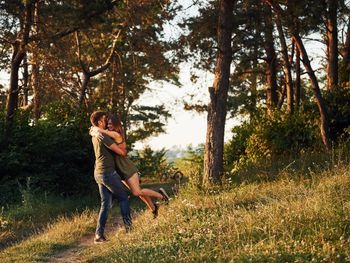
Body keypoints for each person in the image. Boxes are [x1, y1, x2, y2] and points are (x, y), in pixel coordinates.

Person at [90, 113, 170, 219]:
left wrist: (94, 131)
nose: (109, 126)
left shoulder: (116, 135)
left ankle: (162, 196)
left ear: (116, 125)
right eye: (108, 124)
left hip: (127, 168)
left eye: (111, 124)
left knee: (136, 192)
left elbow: (103, 132)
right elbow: (100, 132)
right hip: (120, 170)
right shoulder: (108, 134)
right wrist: (93, 131)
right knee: (138, 191)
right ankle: (154, 209)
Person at [89, 111, 133, 244]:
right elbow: (121, 152)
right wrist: (122, 148)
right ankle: (130, 230)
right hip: (107, 173)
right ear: (99, 122)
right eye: (104, 119)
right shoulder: (102, 136)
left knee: (106, 204)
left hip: (98, 173)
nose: (106, 121)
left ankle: (98, 235)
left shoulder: (95, 135)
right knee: (123, 198)